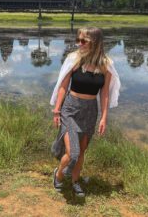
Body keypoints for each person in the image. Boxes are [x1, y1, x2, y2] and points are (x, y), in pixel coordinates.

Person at [50, 27, 120, 197]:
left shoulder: (105, 64)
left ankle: (75, 181)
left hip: (90, 110)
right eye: (78, 39)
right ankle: (58, 175)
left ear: (94, 43)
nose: (78, 44)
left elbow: (104, 93)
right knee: (72, 152)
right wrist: (57, 110)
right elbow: (63, 86)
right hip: (71, 108)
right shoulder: (73, 59)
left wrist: (104, 117)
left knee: (81, 151)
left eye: (83, 41)